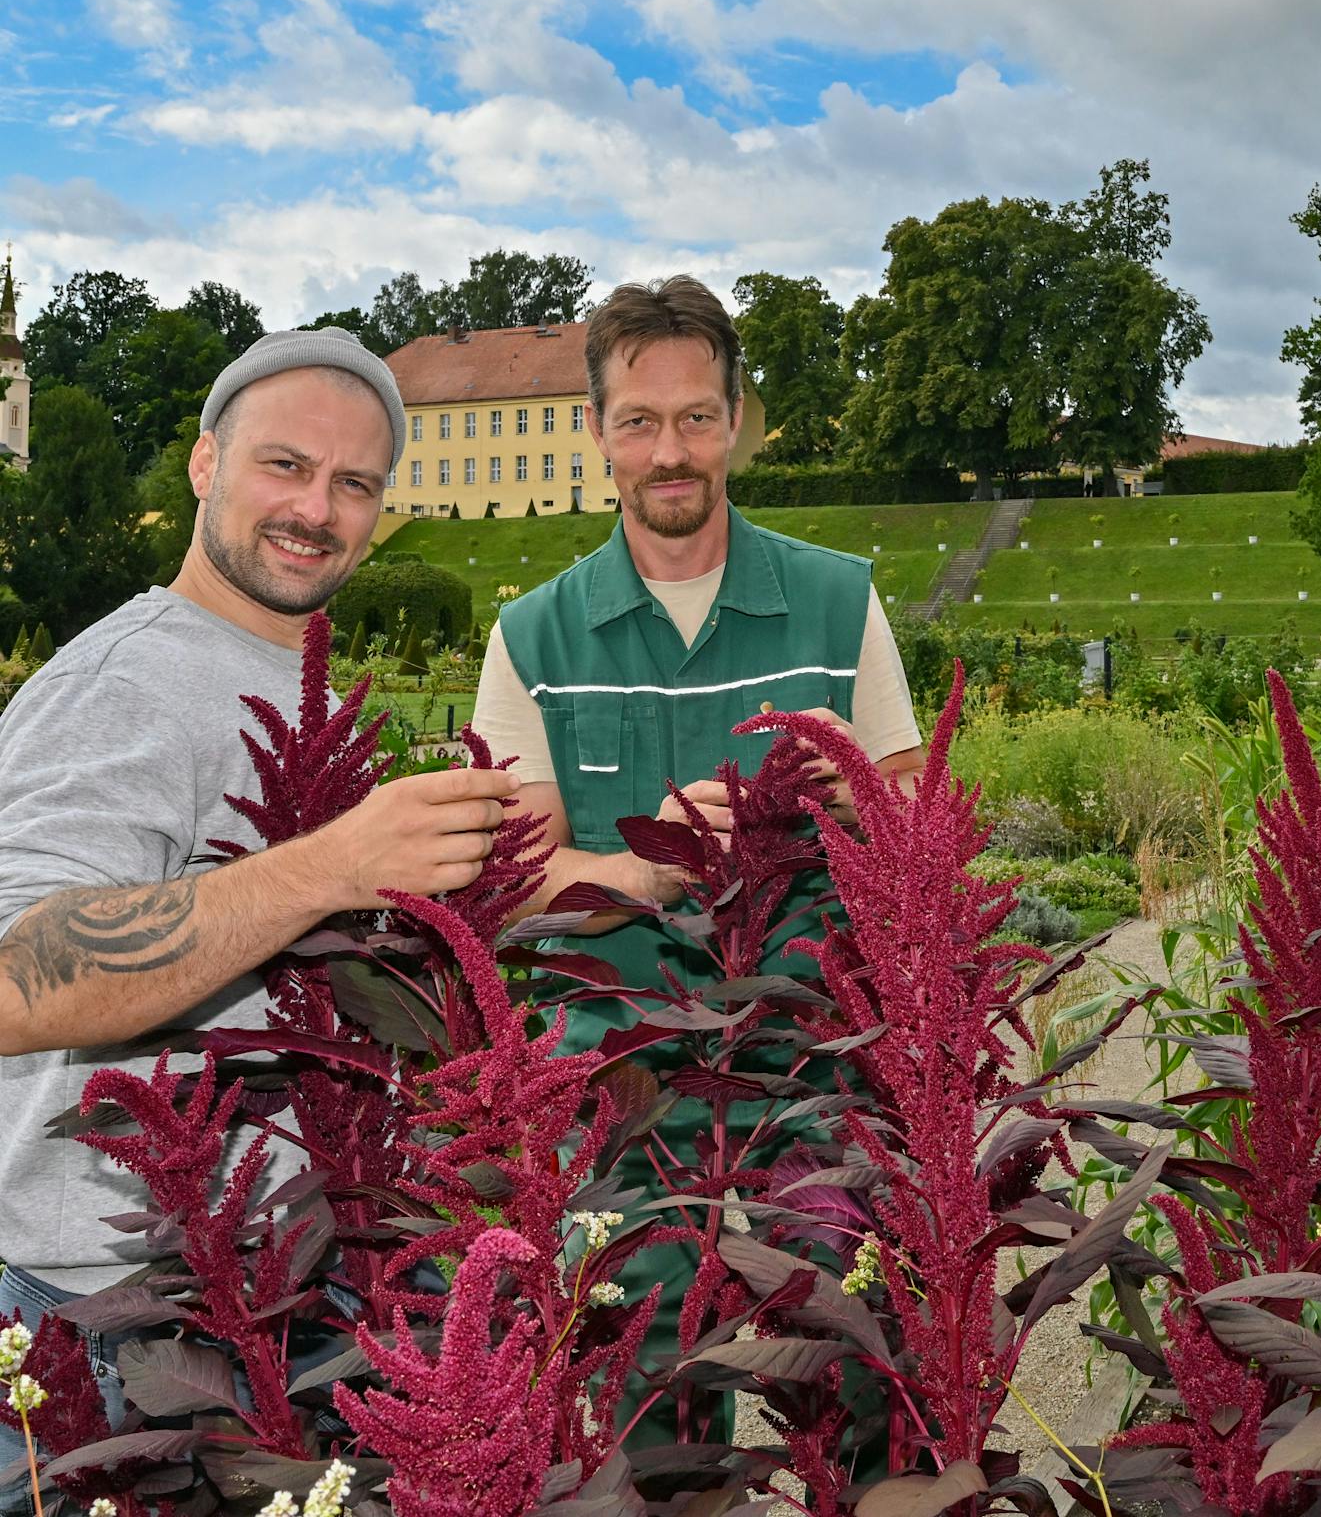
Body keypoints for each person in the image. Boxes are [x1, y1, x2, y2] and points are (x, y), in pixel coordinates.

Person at [0, 331, 516, 1504]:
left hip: (284, 1291)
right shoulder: (121, 684)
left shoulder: (298, 679)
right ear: (201, 465)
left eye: (354, 483)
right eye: (283, 465)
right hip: (118, 1322)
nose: (315, 509)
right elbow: (17, 978)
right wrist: (326, 863)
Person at [470, 274, 923, 1423]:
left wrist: (852, 791)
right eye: (638, 420)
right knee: (649, 1412)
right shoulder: (534, 633)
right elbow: (516, 881)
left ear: (736, 423)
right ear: (596, 433)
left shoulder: (835, 601)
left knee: (861, 1388)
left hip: (813, 1071)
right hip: (623, 1084)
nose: (668, 450)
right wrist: (638, 866)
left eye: (694, 417)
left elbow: (919, 822)